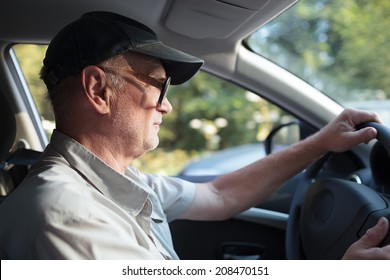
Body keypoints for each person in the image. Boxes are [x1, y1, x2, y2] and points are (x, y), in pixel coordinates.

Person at [0, 11, 389, 260]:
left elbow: (218, 196)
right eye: (157, 84)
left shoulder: (114, 180)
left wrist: (321, 142)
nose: (165, 105)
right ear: (98, 91)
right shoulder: (64, 213)